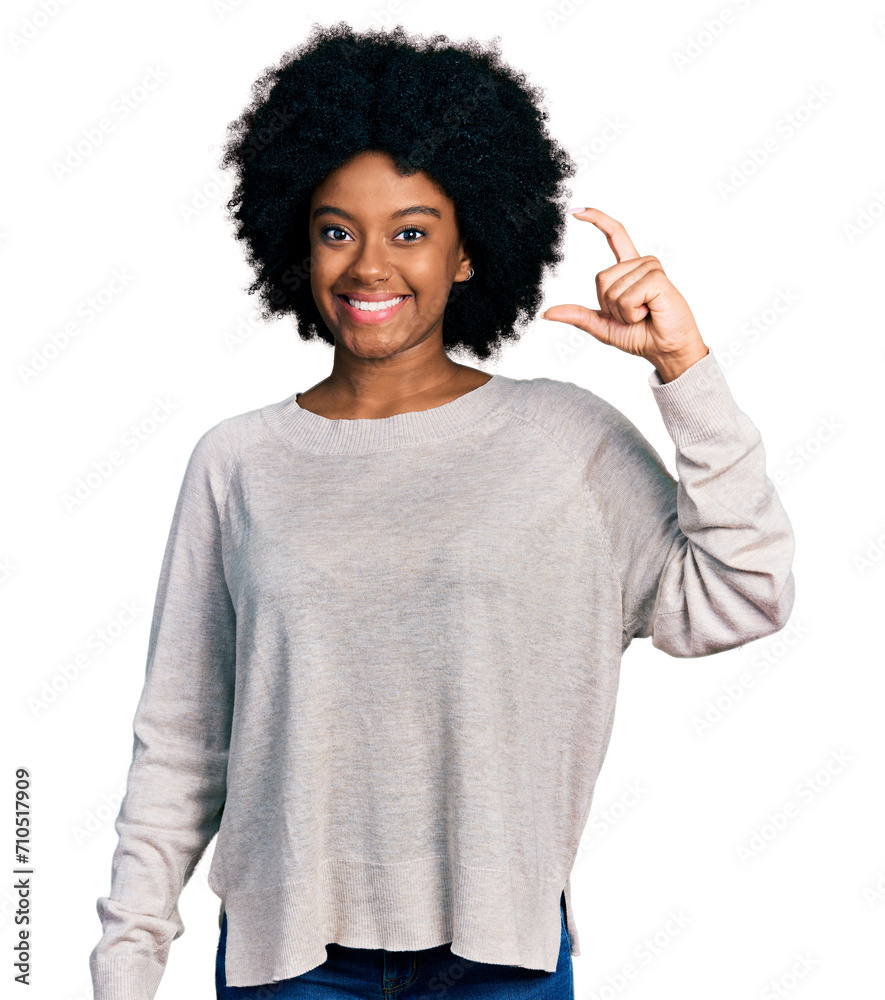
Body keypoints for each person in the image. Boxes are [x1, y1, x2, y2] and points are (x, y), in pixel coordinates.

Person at [88, 21, 796, 1000]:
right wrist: (125, 965)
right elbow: (180, 737)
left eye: (411, 231)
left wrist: (685, 368)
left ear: (470, 253)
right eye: (338, 230)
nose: (370, 265)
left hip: (498, 956)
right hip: (286, 960)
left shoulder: (565, 441)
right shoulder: (238, 463)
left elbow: (747, 592)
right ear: (299, 239)